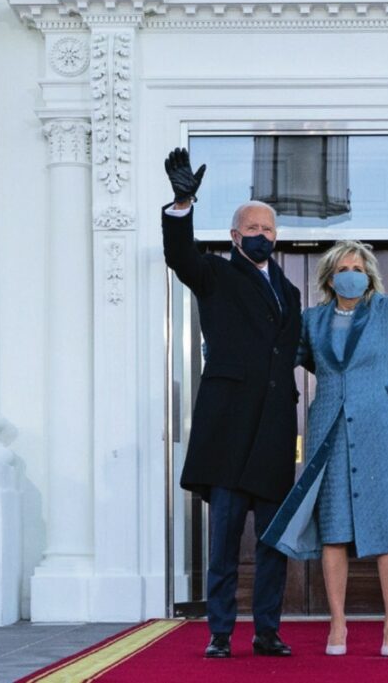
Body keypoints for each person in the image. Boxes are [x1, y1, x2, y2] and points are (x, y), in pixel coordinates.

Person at [263, 182, 388, 657]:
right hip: (327, 432)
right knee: (334, 531)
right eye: (343, 269)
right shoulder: (311, 320)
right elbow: (288, 357)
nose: (351, 275)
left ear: (369, 277)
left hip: (379, 431)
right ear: (330, 278)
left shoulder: (385, 310)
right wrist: (234, 351)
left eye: (358, 269)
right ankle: (338, 626)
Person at [161, 147, 302, 658]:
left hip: (273, 435)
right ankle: (220, 633)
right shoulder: (216, 274)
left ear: (276, 237)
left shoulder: (289, 291)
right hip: (228, 433)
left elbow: (292, 351)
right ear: (235, 236)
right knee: (222, 544)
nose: (261, 234)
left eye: (268, 228)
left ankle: (267, 630)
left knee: (272, 543)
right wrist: (182, 205)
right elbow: (180, 256)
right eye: (252, 227)